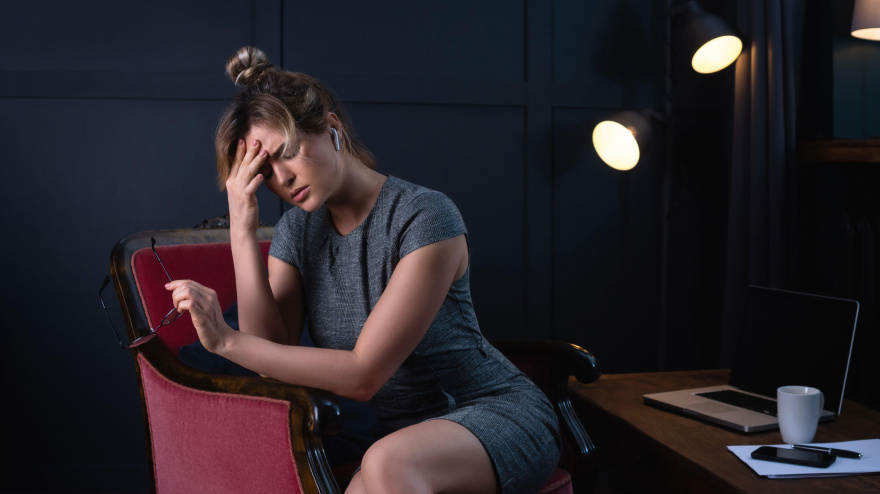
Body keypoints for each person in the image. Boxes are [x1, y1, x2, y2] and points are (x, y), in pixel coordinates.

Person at [166, 46, 560, 494]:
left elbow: (363, 375)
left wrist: (225, 340)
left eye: (289, 152)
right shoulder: (298, 229)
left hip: (494, 413)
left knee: (385, 463)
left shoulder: (425, 216)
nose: (283, 178)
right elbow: (270, 358)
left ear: (332, 128)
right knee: (371, 478)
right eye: (266, 169)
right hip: (397, 446)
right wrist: (242, 227)